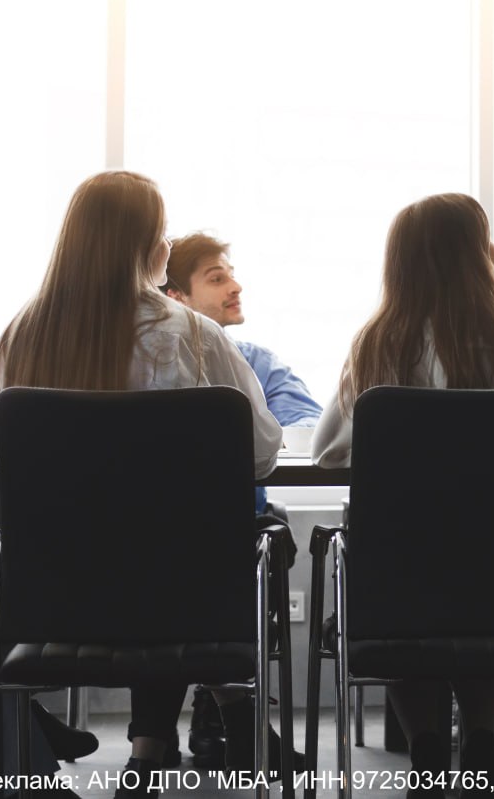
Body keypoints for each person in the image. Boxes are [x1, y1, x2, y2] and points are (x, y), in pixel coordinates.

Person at [0, 171, 285, 796]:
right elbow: (261, 454)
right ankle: (221, 731)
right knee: (222, 535)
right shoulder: (197, 339)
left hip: (57, 603)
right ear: (153, 249)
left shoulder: (23, 337)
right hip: (186, 598)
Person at [311, 192, 494, 794]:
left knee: (407, 569)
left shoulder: (376, 347)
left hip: (401, 576)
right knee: (479, 575)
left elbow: (326, 453)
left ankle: (425, 744)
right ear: (481, 257)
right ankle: (480, 735)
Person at [161, 231, 321, 768]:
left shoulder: (253, 358)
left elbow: (306, 428)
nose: (235, 286)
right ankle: (225, 706)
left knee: (265, 536)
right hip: (185, 534)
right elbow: (270, 440)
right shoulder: (160, 353)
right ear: (176, 298)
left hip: (224, 526)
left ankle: (188, 716)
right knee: (247, 545)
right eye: (216, 278)